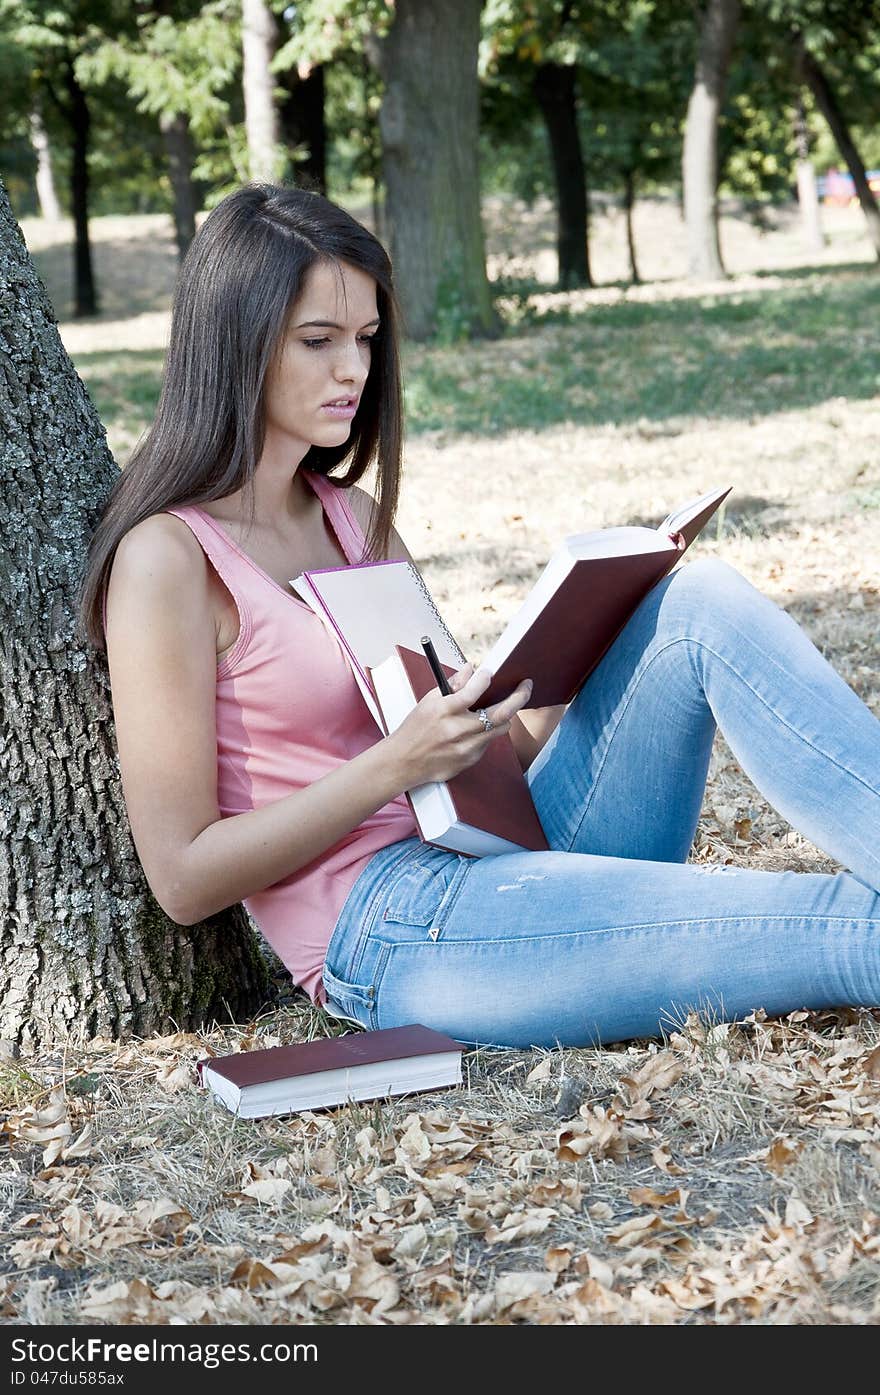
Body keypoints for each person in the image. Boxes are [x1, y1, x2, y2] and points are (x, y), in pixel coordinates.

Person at [78, 184, 880, 1051]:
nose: (354, 370)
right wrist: (394, 764)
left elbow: (486, 767)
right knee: (850, 928)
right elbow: (184, 876)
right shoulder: (170, 558)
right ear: (236, 342)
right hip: (391, 929)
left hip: (502, 851)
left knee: (696, 601)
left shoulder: (353, 518)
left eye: (366, 339)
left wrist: (564, 651)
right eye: (319, 341)